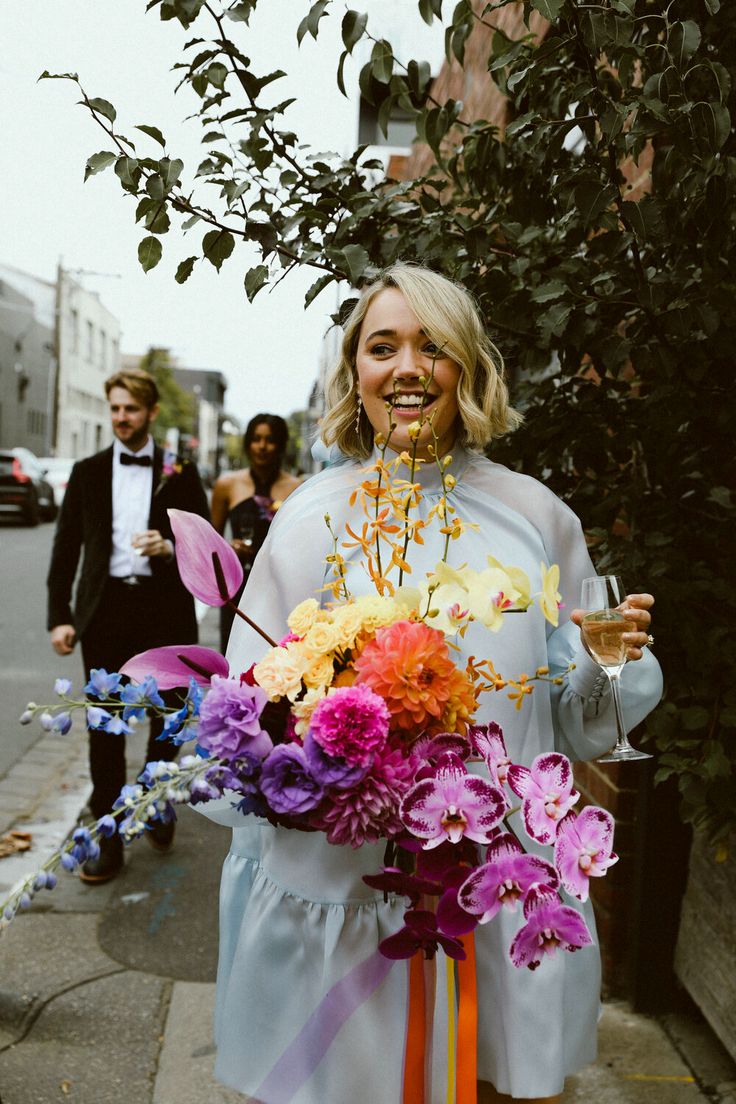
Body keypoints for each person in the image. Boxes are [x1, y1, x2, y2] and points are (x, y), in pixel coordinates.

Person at [202, 264, 663, 1103]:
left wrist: (609, 664)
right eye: (384, 347)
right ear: (355, 373)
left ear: (469, 369)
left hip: (496, 883)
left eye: (433, 346)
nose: (407, 367)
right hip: (342, 888)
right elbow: (244, 718)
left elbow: (583, 726)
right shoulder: (310, 516)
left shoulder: (537, 517)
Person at [47, 368, 209, 883]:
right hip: (106, 612)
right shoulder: (89, 470)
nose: (121, 418)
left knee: (167, 723)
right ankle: (109, 837)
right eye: (115, 408)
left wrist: (169, 547)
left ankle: (156, 800)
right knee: (104, 727)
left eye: (131, 410)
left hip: (164, 611)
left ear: (152, 413)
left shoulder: (180, 472)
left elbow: (202, 543)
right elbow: (66, 545)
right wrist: (60, 617)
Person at [210, 414, 300, 653]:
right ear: (248, 442)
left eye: (270, 440)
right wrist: (229, 548)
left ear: (280, 444)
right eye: (256, 439)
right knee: (233, 657)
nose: (262, 446)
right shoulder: (227, 485)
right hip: (236, 588)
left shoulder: (296, 487)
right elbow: (210, 543)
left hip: (277, 587)